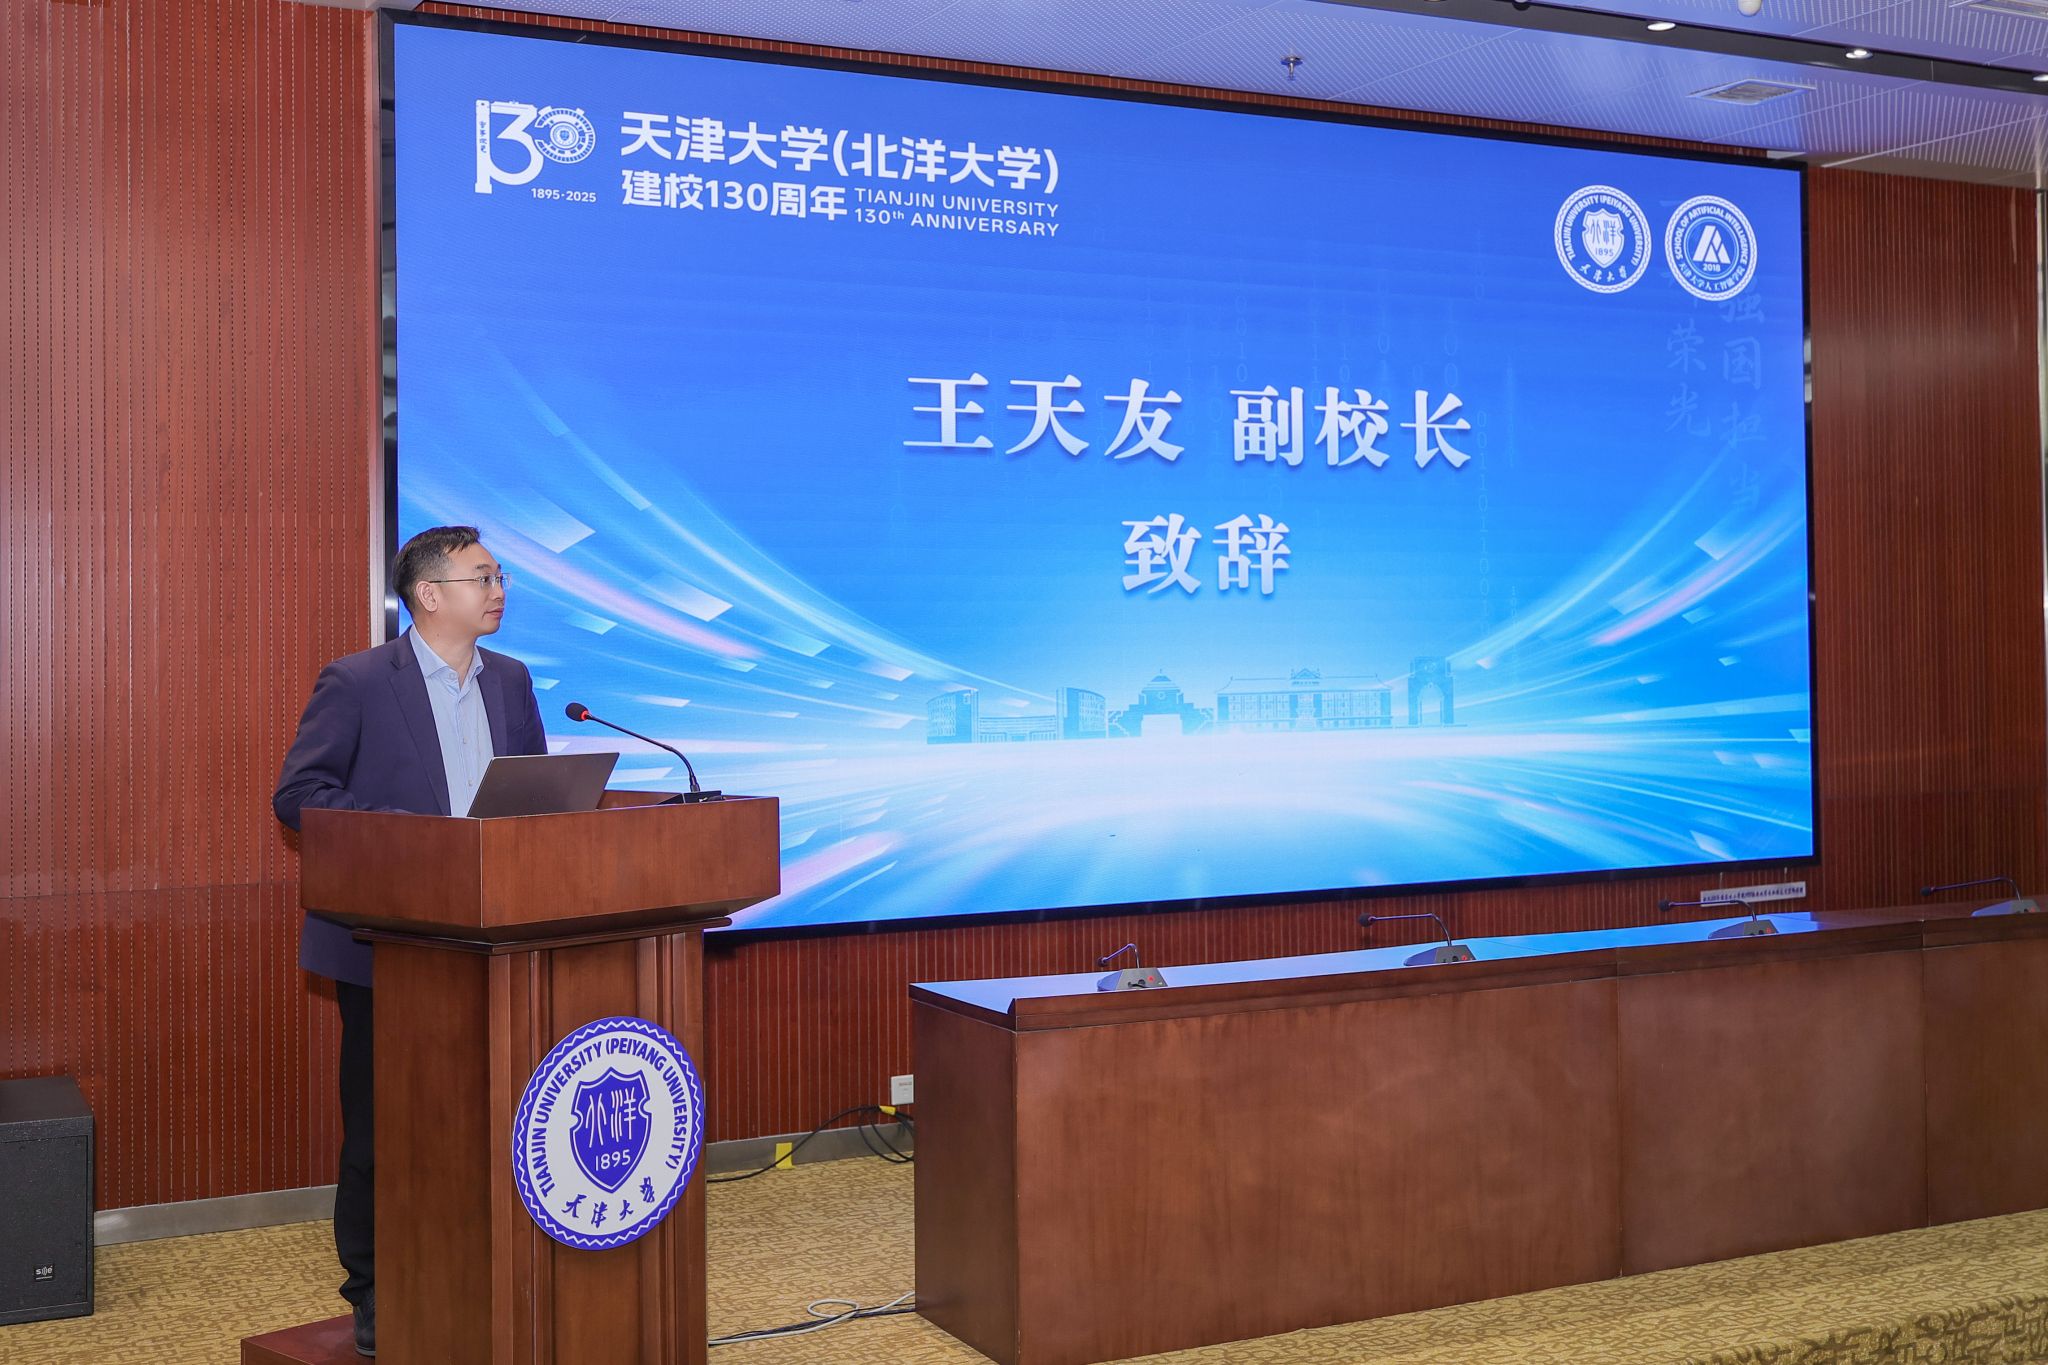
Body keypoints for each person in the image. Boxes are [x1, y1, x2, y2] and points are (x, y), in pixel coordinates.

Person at [272, 526, 546, 1357]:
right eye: (482, 577)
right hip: (386, 945)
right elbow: (300, 794)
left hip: (498, 941)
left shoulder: (511, 679)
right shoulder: (358, 680)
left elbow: (535, 799)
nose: (498, 590)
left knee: (494, 1119)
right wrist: (410, 837)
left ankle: (482, 1269)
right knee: (384, 1129)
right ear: (429, 594)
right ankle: (374, 1288)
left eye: (499, 576)